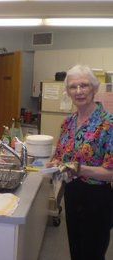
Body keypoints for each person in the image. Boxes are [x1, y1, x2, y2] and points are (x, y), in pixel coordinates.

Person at [47, 65, 113, 260]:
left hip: (97, 198)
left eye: (84, 85)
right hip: (72, 193)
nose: (79, 91)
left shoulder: (108, 123)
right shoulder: (68, 122)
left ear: (94, 88)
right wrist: (54, 164)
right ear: (68, 91)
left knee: (92, 254)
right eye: (73, 87)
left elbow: (111, 172)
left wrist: (79, 169)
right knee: (76, 251)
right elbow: (60, 157)